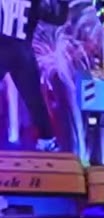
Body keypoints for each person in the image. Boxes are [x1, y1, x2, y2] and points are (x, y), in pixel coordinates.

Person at [0, 0, 68, 150]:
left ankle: (47, 138)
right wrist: (63, 3)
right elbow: (58, 19)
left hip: (6, 50)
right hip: (22, 52)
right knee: (35, 100)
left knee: (35, 100)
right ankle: (47, 139)